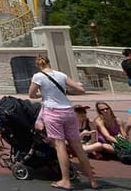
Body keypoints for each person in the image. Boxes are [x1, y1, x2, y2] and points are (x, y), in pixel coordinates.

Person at [29, 55, 98, 190]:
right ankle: (92, 180)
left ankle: (65, 180)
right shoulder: (61, 75)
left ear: (38, 65)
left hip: (52, 112)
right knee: (78, 147)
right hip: (68, 111)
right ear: (49, 62)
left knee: (60, 146)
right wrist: (63, 92)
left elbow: (31, 95)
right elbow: (81, 89)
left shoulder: (38, 76)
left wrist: (43, 95)